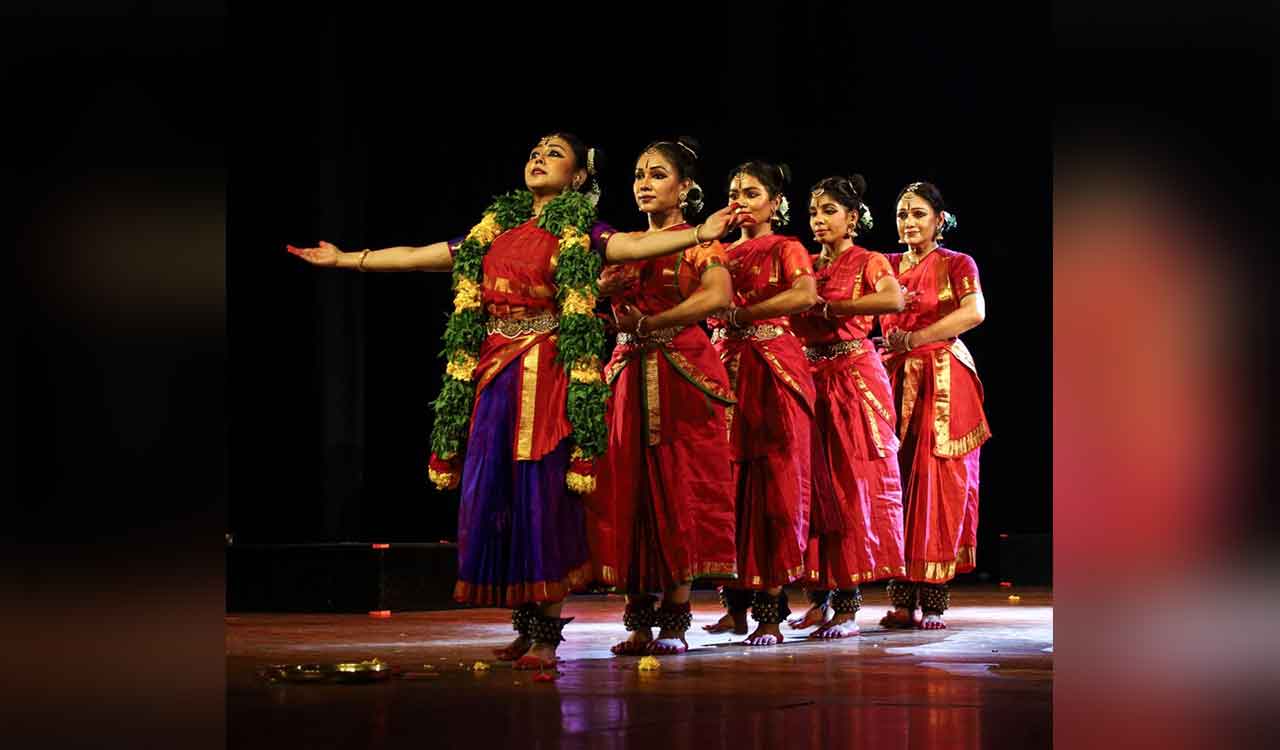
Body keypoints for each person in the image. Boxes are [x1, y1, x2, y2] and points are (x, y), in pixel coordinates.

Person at [286, 132, 743, 667]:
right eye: (534, 152)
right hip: (494, 371)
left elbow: (632, 246)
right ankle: (525, 624)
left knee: (540, 490)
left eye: (554, 154)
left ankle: (550, 632)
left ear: (577, 179)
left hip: (547, 370)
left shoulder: (581, 231)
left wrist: (698, 234)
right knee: (496, 491)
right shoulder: (494, 229)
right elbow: (421, 255)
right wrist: (348, 260)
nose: (538, 158)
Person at [588, 137, 738, 656]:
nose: (643, 184)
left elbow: (717, 297)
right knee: (630, 492)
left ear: (686, 188)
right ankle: (638, 619)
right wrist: (601, 297)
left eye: (656, 175)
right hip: (629, 376)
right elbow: (597, 311)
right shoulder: (623, 244)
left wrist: (656, 322)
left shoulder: (702, 244)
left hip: (684, 377)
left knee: (681, 490)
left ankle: (675, 619)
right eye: (638, 175)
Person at [702, 161, 819, 646]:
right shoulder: (718, 253)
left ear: (776, 203)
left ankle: (771, 611)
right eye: (733, 192)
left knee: (774, 485)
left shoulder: (787, 247)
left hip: (774, 367)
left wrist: (746, 313)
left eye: (751, 193)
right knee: (728, 484)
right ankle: (734, 606)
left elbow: (806, 293)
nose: (740, 201)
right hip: (726, 364)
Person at [785, 174, 907, 638]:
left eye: (829, 211)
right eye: (814, 212)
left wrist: (833, 310)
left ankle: (849, 606)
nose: (818, 220)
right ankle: (818, 597)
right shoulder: (806, 265)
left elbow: (893, 298)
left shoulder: (868, 261)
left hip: (854, 380)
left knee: (850, 485)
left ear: (852, 218)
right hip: (809, 376)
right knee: (812, 487)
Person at [876, 181, 990, 630]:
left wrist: (918, 337)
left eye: (919, 213)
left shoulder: (956, 263)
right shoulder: (883, 265)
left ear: (939, 220)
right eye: (903, 213)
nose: (909, 222)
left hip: (942, 378)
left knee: (938, 480)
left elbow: (974, 312)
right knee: (895, 479)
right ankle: (901, 596)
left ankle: (935, 598)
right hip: (891, 378)